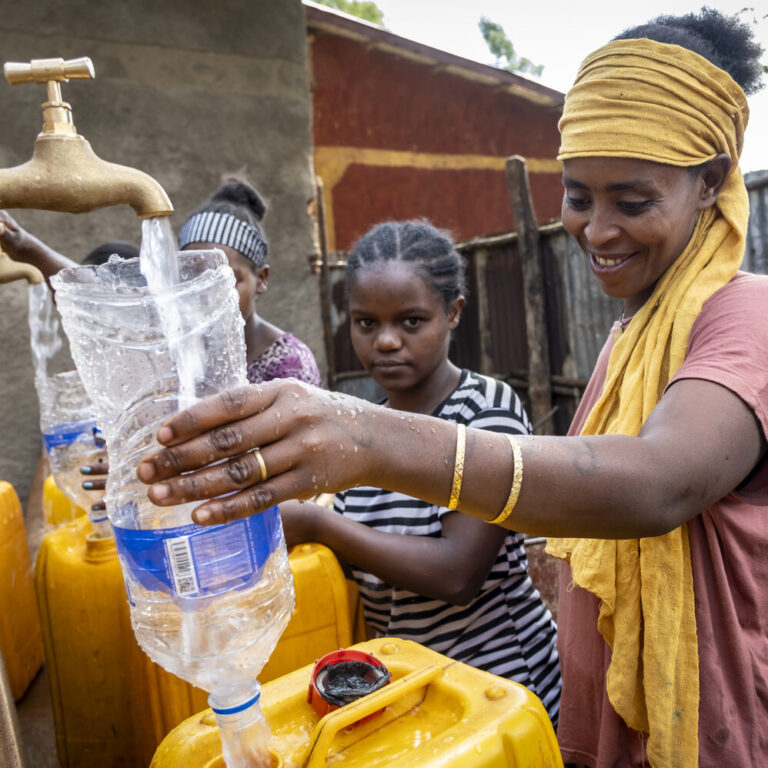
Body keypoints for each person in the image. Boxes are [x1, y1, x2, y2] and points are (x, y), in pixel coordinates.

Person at [136, 9, 767, 766]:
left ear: (711, 182)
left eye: (632, 202)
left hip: (708, 727)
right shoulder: (637, 332)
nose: (597, 230)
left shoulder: (746, 317)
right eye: (577, 195)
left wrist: (369, 441)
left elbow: (659, 484)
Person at [280, 219, 561, 722]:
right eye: (367, 323)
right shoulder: (360, 426)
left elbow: (458, 574)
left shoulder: (484, 412)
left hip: (497, 687)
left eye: (410, 321)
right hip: (411, 690)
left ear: (453, 313)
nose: (386, 341)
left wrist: (319, 524)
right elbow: (363, 566)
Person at [178, 178, 322, 387]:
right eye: (193, 279)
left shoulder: (289, 367)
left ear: (261, 279)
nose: (207, 296)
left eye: (227, 281)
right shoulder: (174, 351)